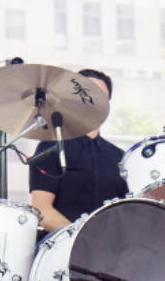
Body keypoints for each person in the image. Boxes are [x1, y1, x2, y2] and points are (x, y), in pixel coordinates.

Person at [28, 68, 128, 234]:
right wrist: (79, 240)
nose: (92, 100)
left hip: (110, 252)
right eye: (86, 93)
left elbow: (128, 212)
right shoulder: (50, 146)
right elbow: (41, 208)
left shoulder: (120, 157)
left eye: (100, 96)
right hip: (62, 249)